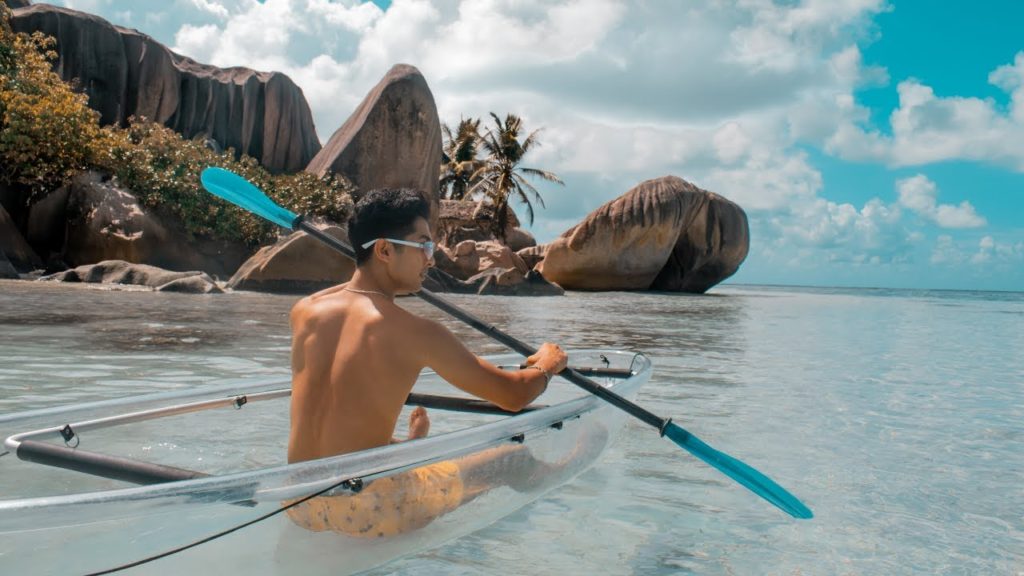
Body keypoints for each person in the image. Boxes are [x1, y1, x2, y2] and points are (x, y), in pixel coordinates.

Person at [285, 188, 569, 538]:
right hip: (367, 510)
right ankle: (568, 479)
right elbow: (512, 396)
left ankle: (410, 447)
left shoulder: (305, 312)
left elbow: (343, 421)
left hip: (296, 501)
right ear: (385, 250)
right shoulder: (417, 333)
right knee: (512, 459)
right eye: (424, 246)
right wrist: (546, 365)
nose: (430, 260)